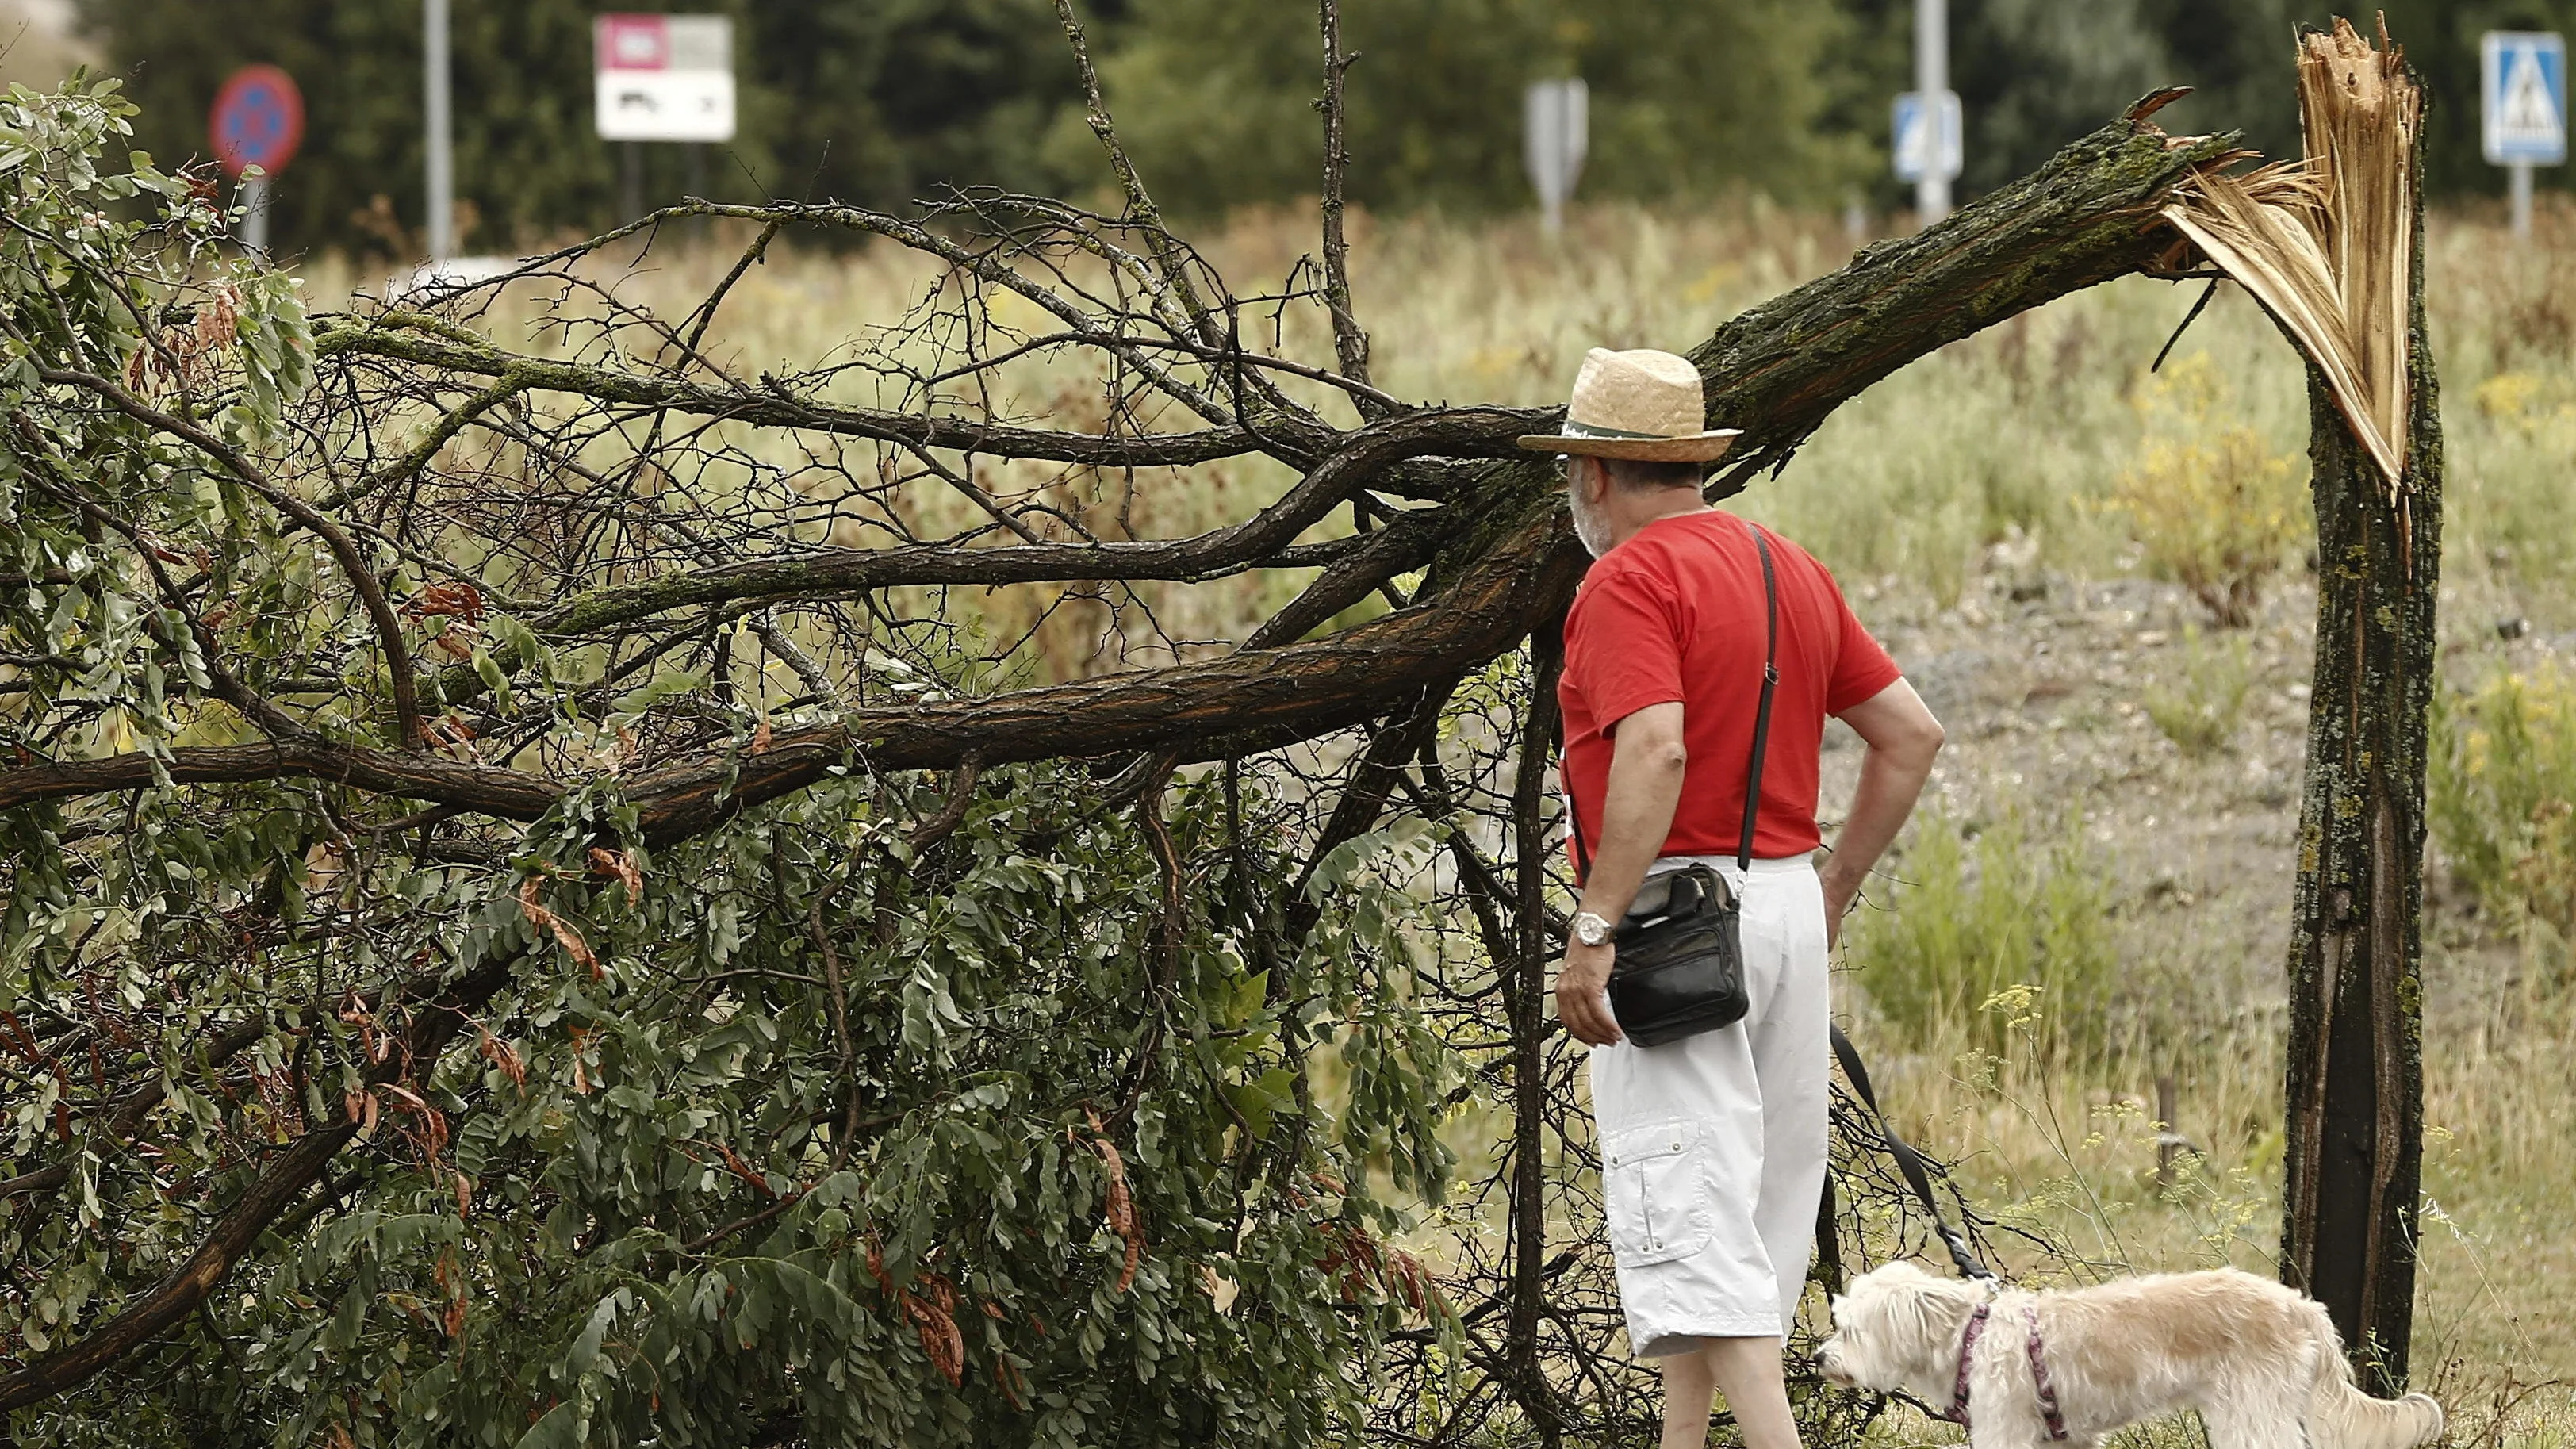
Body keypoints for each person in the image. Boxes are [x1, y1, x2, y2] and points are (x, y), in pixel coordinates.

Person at [1518, 348, 1944, 1449]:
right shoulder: (1784, 565)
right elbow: (1910, 734)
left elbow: (1655, 752)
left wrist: (1596, 927)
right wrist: (1836, 882)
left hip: (1673, 920)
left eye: (1575, 469)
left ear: (1600, 474)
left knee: (1686, 1207)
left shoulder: (1624, 581)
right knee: (1754, 1205)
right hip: (1791, 905)